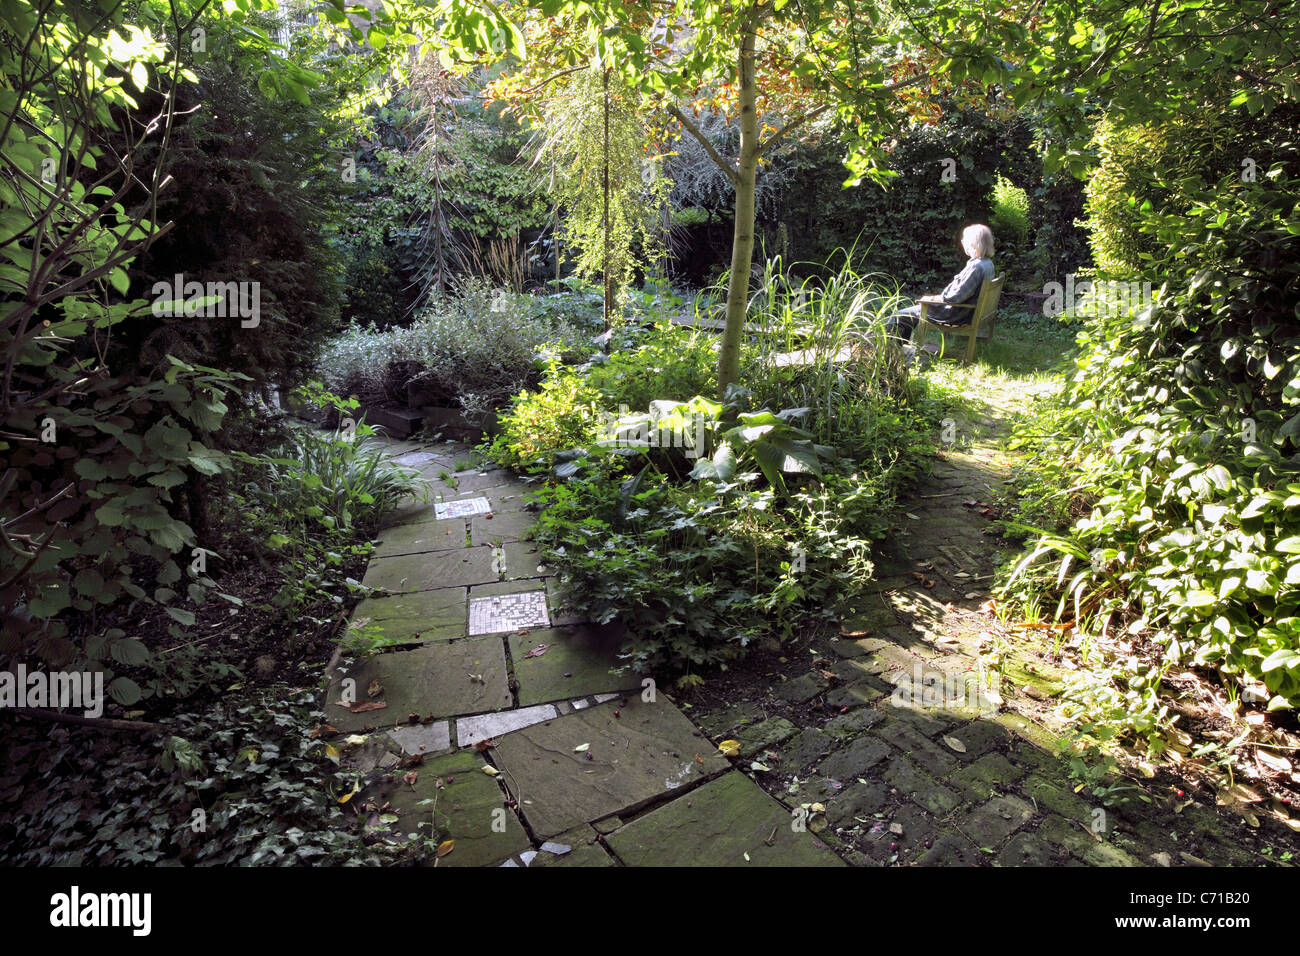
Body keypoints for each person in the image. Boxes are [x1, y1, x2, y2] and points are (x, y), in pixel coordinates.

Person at [886, 224, 995, 344]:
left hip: (955, 314)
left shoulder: (976, 267)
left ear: (974, 244)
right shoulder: (987, 263)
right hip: (968, 312)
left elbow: (955, 297)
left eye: (965, 240)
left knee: (900, 316)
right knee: (908, 313)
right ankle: (899, 347)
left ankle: (891, 350)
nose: (963, 243)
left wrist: (934, 299)